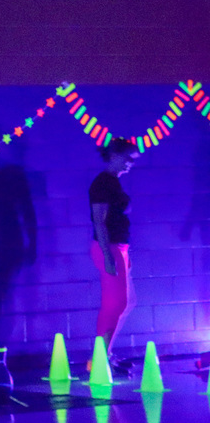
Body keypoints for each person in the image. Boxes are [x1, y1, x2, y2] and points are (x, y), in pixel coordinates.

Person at [89, 137, 139, 375]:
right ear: (115, 156)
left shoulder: (113, 183)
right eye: (128, 158)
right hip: (108, 247)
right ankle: (99, 359)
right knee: (115, 304)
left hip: (120, 248)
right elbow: (99, 221)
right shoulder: (102, 184)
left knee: (128, 302)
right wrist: (108, 256)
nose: (131, 163)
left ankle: (105, 354)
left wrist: (124, 254)